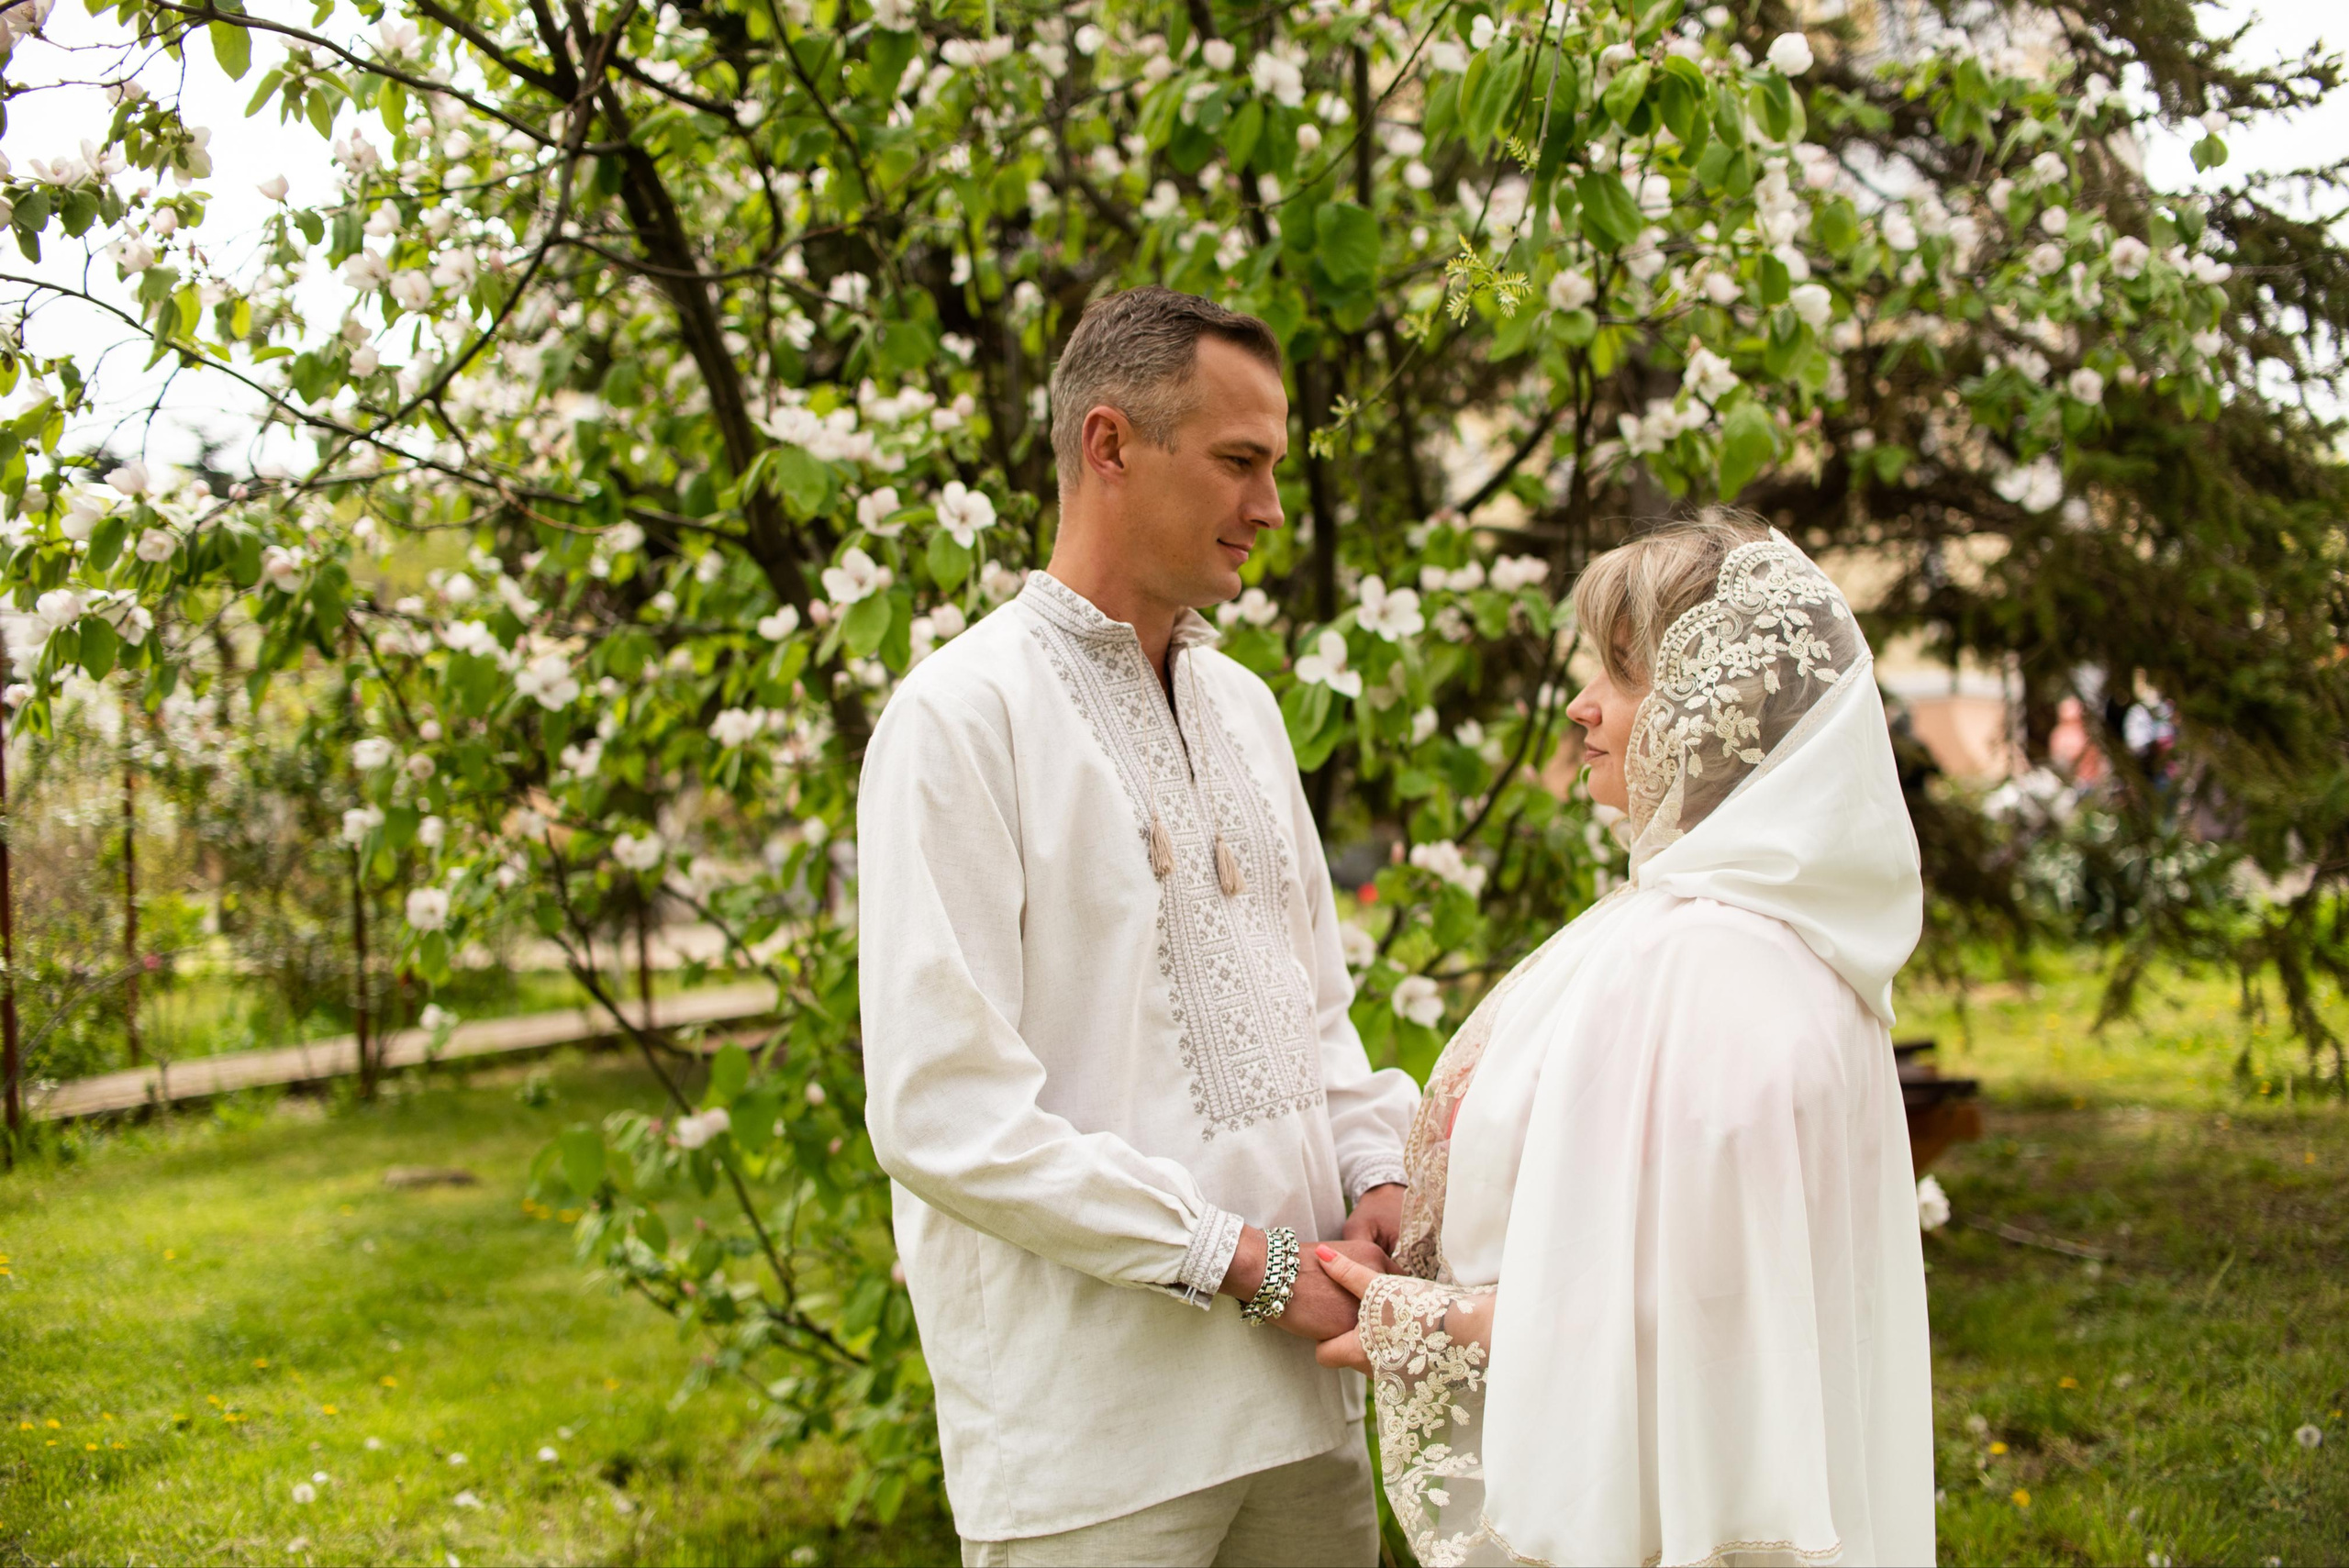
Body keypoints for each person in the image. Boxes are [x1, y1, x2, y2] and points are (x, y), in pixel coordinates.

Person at [857, 286, 1419, 1567]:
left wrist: (1375, 1171)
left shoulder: (1247, 710)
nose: (1270, 510)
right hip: (1092, 1443)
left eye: (1273, 467)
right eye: (1239, 463)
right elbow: (943, 1112)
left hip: (1305, 1408)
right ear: (1109, 446)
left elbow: (1314, 1016)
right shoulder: (960, 718)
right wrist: (1244, 1263)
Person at [1310, 516, 1936, 1567]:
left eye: (1621, 672)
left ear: (1709, 706)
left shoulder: (1698, 960)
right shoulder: (1789, 941)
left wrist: (1416, 1321)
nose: (1581, 705)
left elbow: (1675, 1313)